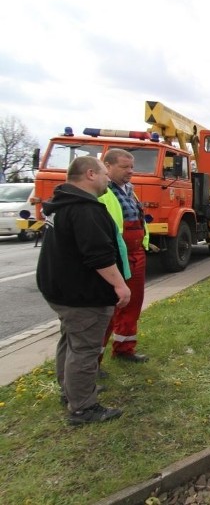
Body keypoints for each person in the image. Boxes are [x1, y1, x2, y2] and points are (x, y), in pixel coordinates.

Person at [36, 156, 130, 425]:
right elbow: (98, 255)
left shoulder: (62, 203)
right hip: (81, 294)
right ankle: (83, 408)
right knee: (85, 349)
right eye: (103, 174)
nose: (107, 179)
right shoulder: (85, 209)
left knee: (70, 341)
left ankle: (72, 392)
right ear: (90, 174)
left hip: (61, 289)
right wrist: (119, 285)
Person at [99, 148, 152, 364]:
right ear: (108, 166)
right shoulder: (103, 192)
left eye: (132, 167)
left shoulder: (129, 189)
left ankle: (124, 348)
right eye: (124, 167)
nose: (130, 171)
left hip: (136, 253)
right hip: (117, 255)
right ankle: (93, 361)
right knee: (108, 308)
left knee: (133, 303)